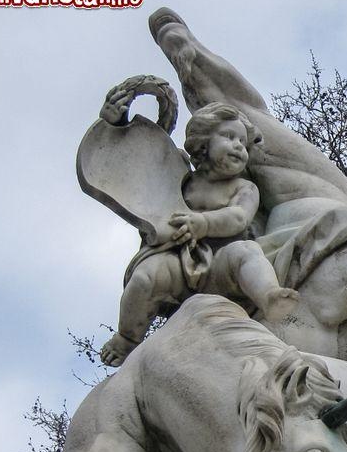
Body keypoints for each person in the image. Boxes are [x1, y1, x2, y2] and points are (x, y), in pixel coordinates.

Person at [100, 102, 299, 366]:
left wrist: (203, 223)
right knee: (144, 279)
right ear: (202, 143)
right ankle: (127, 337)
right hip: (177, 260)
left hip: (220, 263)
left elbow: (239, 217)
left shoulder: (244, 188)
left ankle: (269, 295)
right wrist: (114, 122)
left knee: (247, 251)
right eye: (229, 137)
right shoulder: (183, 177)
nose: (239, 145)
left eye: (242, 141)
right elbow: (142, 164)